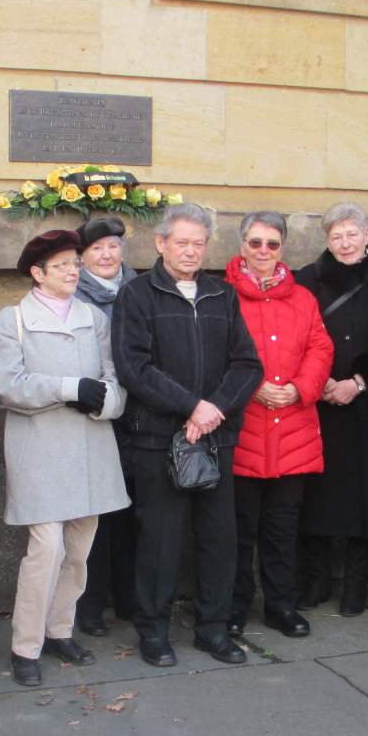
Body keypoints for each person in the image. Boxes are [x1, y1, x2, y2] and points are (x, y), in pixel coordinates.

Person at [112, 203, 263, 667]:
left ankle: (213, 629)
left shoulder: (222, 295)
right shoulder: (137, 295)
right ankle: (154, 632)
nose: (191, 251)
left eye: (199, 243)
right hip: (158, 440)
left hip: (215, 440)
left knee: (219, 539)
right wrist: (189, 405)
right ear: (161, 243)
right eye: (182, 242)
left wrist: (213, 408)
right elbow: (133, 367)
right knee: (160, 541)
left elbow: (248, 364)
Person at [0, 230, 129, 687]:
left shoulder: (94, 317)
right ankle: (24, 646)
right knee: (45, 550)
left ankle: (59, 629)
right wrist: (70, 389)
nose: (73, 271)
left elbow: (114, 379)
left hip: (90, 448)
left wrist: (105, 401)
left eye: (75, 263)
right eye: (63, 265)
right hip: (40, 450)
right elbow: (11, 386)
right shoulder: (13, 321)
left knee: (79, 550)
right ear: (37, 273)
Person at [225, 211, 333, 638]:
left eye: (272, 244)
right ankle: (234, 607)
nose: (263, 252)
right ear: (242, 247)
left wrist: (299, 389)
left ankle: (281, 606)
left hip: (293, 429)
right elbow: (217, 352)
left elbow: (320, 349)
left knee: (282, 530)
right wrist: (253, 387)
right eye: (255, 243)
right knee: (237, 531)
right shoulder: (223, 295)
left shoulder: (303, 298)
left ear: (282, 248)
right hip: (243, 430)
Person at [295, 202, 368, 617]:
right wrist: (317, 380)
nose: (345, 242)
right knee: (316, 499)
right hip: (318, 404)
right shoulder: (305, 281)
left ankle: (356, 586)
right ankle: (317, 580)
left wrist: (359, 382)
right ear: (327, 240)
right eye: (336, 235)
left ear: (367, 235)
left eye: (351, 234)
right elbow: (293, 337)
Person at [72, 216, 138, 637]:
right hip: (94, 415)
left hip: (139, 414)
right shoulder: (71, 297)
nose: (107, 254)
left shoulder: (143, 289)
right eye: (97, 249)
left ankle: (130, 596)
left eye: (113, 246)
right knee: (94, 516)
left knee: (134, 510)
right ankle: (90, 604)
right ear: (81, 258)